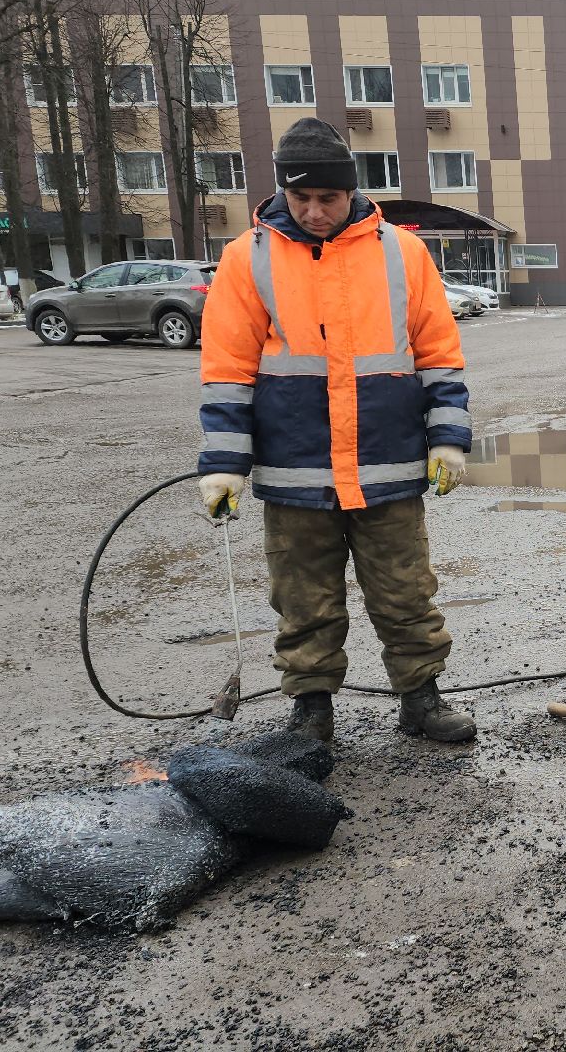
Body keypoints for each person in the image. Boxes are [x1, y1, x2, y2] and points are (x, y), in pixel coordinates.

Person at [195, 117, 478, 744]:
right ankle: (312, 710)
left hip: (386, 464)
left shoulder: (403, 253)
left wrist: (449, 439)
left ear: (351, 191)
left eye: (329, 197)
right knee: (304, 601)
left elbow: (438, 355)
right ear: (282, 194)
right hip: (296, 469)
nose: (316, 211)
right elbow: (228, 371)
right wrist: (223, 464)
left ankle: (421, 699)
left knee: (406, 592)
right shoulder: (248, 258)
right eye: (302, 199)